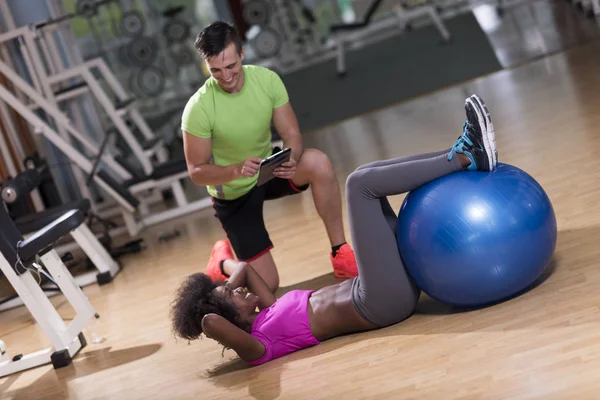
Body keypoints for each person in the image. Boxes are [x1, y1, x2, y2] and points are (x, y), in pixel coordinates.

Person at [171, 94, 497, 366]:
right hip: (379, 303)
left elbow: (243, 268)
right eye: (233, 297)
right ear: (233, 321)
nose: (237, 289)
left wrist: (223, 282)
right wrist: (218, 306)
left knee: (365, 174)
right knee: (360, 185)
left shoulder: (268, 309)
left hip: (380, 289)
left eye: (233, 289)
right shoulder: (259, 345)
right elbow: (210, 322)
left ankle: (460, 151)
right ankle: (466, 156)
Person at [181, 21, 358, 293]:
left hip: (268, 170)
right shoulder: (198, 108)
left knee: (317, 162)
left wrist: (292, 158)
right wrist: (234, 170)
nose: (225, 76)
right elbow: (196, 171)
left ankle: (340, 254)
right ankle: (222, 262)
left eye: (231, 66)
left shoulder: (267, 80)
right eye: (215, 70)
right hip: (232, 193)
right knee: (268, 285)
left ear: (242, 53)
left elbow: (292, 135)